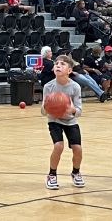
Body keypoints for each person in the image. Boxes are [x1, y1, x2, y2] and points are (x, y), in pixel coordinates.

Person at [42, 55, 84, 190]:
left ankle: (76, 172)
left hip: (70, 120)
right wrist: (48, 106)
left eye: (62, 64)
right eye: (56, 64)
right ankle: (52, 175)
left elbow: (79, 111)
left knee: (77, 149)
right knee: (58, 146)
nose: (58, 66)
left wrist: (72, 110)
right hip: (54, 120)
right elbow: (43, 112)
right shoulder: (48, 87)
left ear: (69, 70)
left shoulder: (75, 87)